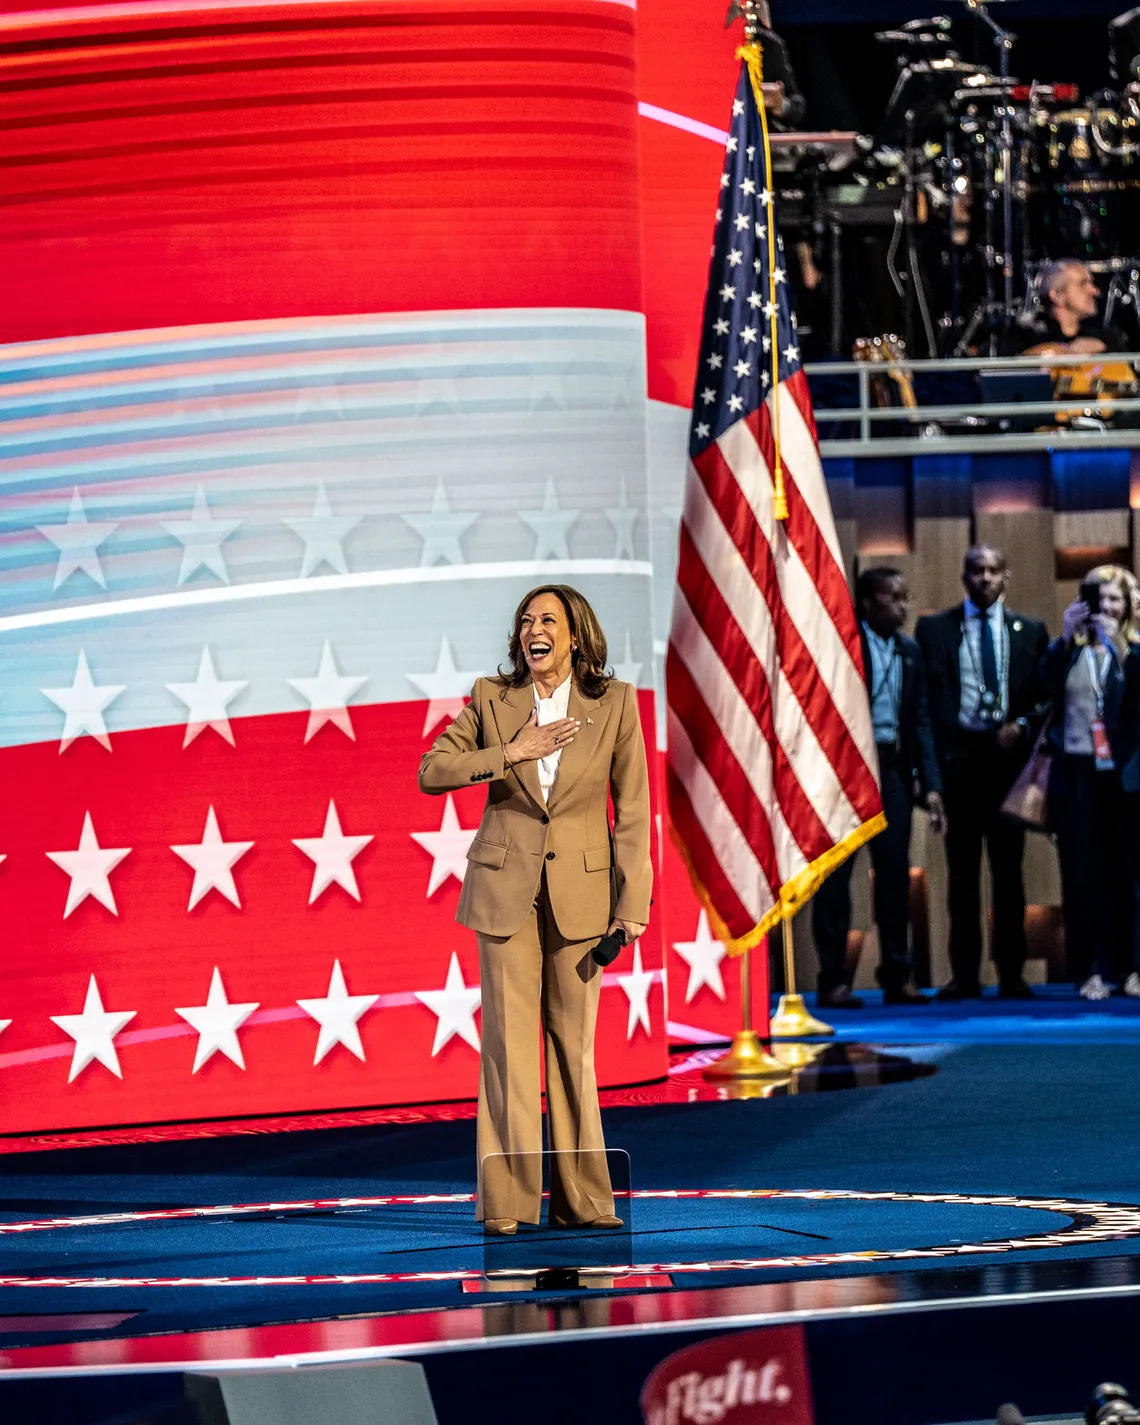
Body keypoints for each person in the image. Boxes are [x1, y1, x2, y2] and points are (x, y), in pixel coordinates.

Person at [418, 585, 652, 1236]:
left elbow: (632, 813)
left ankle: (583, 1199)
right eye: (525, 620)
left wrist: (631, 903)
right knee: (508, 1050)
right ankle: (508, 1205)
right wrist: (511, 753)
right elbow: (432, 770)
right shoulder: (493, 699)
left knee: (573, 1048)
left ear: (575, 634)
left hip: (583, 897)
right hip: (505, 891)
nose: (532, 628)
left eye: (547, 619)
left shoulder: (616, 705)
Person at [915, 545, 1050, 999]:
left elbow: (1044, 699)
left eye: (994, 571)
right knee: (962, 877)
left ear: (1006, 577)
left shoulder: (1030, 631)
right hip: (960, 768)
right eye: (977, 571)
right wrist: (930, 780)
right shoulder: (935, 629)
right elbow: (926, 709)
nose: (986, 578)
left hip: (1009, 771)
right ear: (964, 577)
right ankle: (965, 975)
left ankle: (1012, 974)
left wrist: (1024, 725)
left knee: (1010, 875)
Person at [812, 568, 946, 1009]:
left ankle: (897, 976)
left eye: (906, 598)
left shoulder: (909, 651)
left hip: (891, 769)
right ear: (868, 602)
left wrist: (931, 785)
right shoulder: (845, 645)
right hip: (845, 770)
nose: (903, 607)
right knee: (836, 879)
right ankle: (834, 980)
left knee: (894, 876)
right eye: (894, 598)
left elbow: (922, 721)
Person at [1043, 567, 1140, 999]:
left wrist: (1122, 651)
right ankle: (1089, 971)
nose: (1105, 609)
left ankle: (1133, 967)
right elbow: (1041, 688)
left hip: (1127, 778)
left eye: (1113, 600)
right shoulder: (1070, 650)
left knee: (1130, 877)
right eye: (1096, 600)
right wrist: (1066, 639)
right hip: (1079, 774)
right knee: (1084, 877)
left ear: (1128, 606)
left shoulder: (1134, 652)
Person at [1002, 261, 1128, 357]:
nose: (1094, 291)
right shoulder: (1023, 337)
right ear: (1057, 296)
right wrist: (1061, 350)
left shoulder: (1103, 336)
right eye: (1083, 284)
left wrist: (1103, 346)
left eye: (1092, 283)